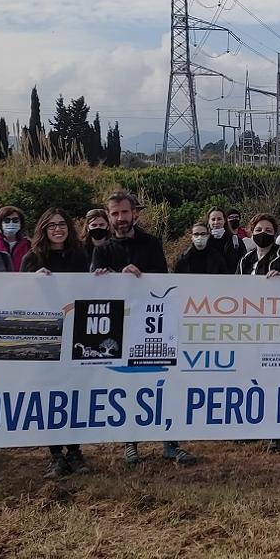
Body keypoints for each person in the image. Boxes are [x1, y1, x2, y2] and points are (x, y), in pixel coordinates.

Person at [92, 191, 194, 465]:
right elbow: (92, 290)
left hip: (152, 328)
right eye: (115, 213)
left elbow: (162, 281)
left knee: (160, 384)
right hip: (118, 332)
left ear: (134, 213)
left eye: (125, 212)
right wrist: (109, 279)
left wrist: (141, 277)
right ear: (108, 215)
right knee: (127, 385)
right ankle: (130, 442)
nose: (120, 218)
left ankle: (170, 443)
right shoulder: (101, 250)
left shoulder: (151, 243)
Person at [21, 208, 93, 479]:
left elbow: (90, 291)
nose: (58, 229)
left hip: (76, 335)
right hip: (46, 336)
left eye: (62, 224)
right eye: (51, 225)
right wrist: (33, 282)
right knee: (50, 395)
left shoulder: (79, 255)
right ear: (43, 229)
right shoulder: (32, 258)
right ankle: (55, 455)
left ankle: (75, 451)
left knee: (74, 393)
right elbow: (21, 298)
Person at [0, 205, 30, 272]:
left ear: (21, 223)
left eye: (15, 220)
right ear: (0, 224)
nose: (11, 223)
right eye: (7, 220)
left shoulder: (29, 245)